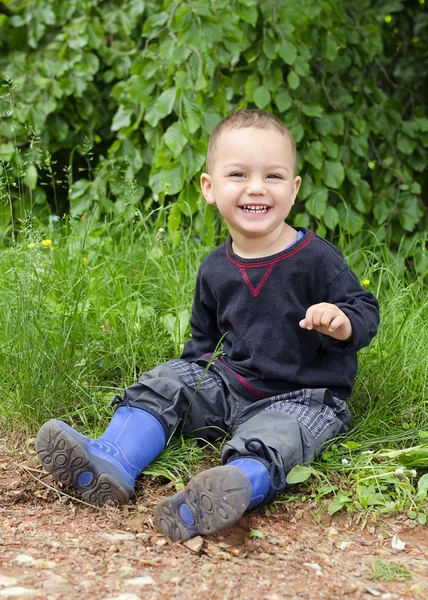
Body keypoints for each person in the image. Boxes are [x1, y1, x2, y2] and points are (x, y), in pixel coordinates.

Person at [36, 109, 379, 542]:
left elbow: (365, 307)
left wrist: (343, 321)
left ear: (293, 190)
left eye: (273, 177)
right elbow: (203, 342)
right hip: (231, 386)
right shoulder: (215, 267)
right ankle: (112, 457)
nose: (256, 187)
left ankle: (231, 487)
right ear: (209, 187)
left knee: (278, 437)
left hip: (303, 397)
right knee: (168, 381)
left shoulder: (315, 258)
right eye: (238, 174)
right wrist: (184, 383)